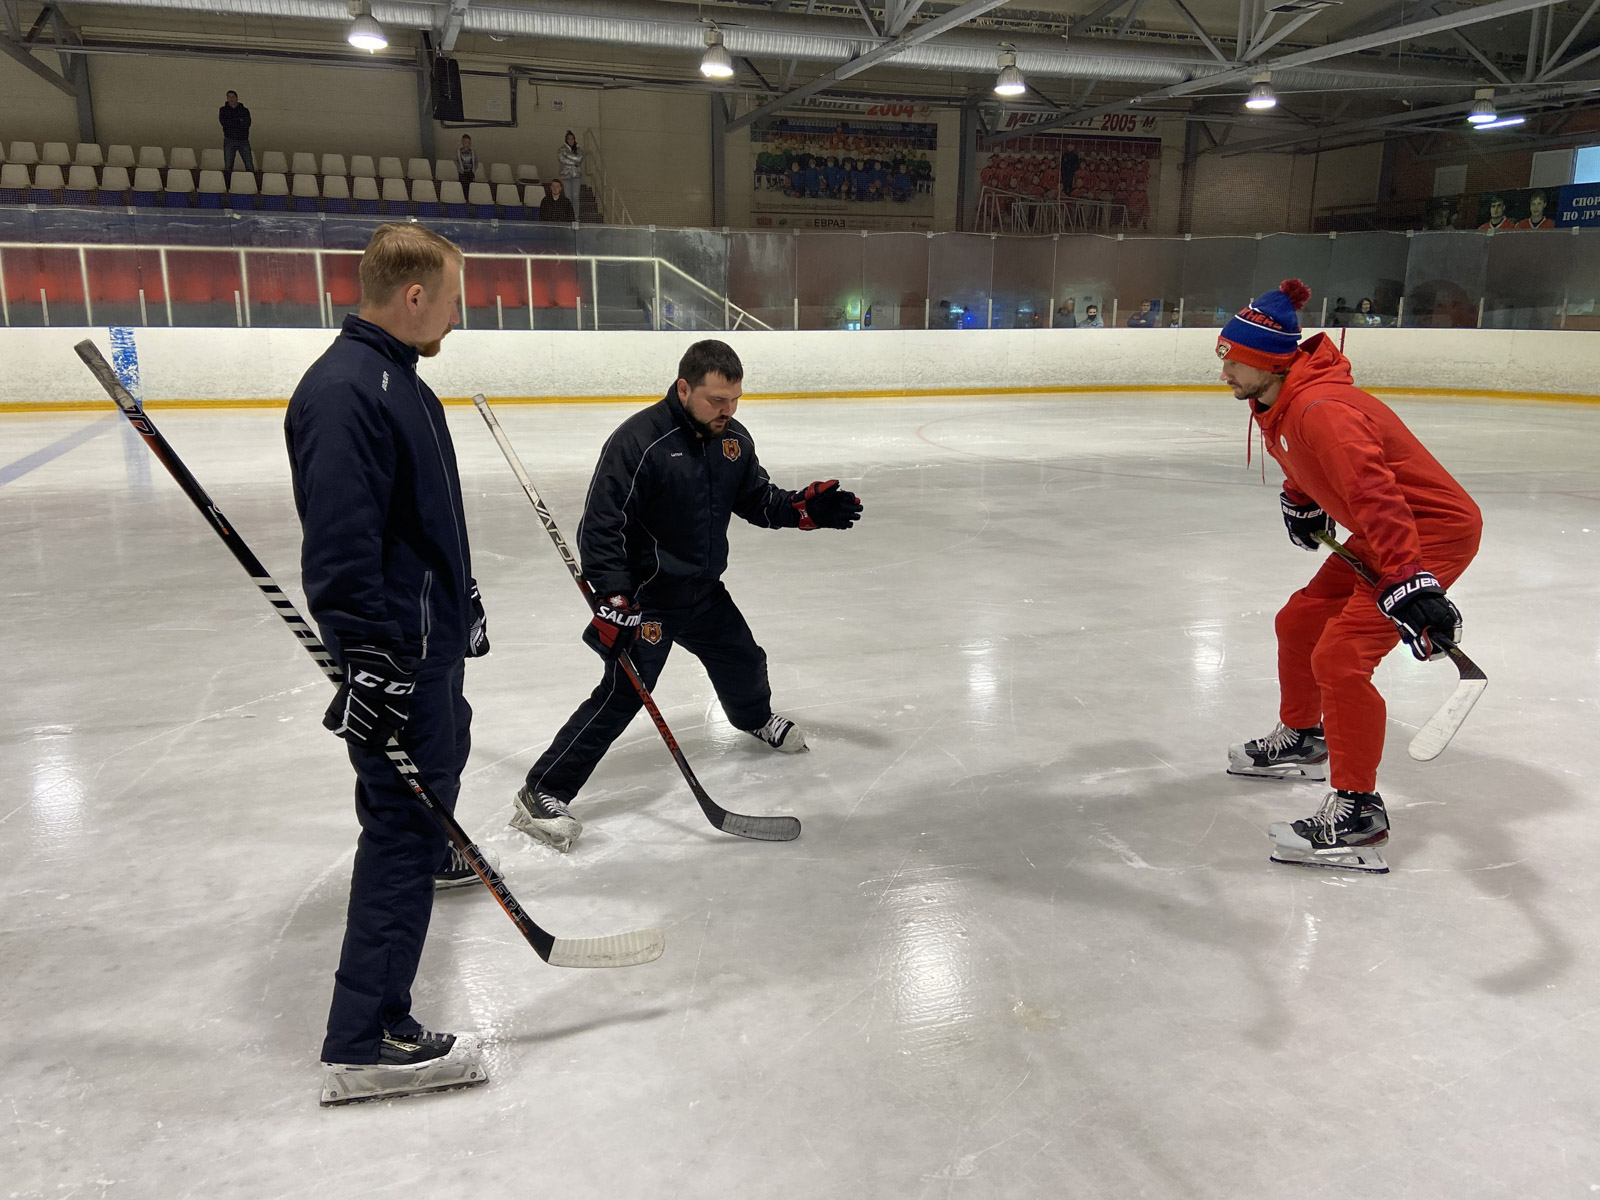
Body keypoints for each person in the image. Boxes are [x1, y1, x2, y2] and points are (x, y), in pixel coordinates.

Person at [286, 222, 493, 1104]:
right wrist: (368, 660)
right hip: (399, 657)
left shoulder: (397, 379)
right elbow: (341, 548)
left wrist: (461, 598)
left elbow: (419, 520)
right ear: (414, 297)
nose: (459, 313)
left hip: (426, 641)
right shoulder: (348, 393)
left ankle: (439, 854)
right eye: (453, 297)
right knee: (400, 831)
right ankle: (365, 1035)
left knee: (439, 779)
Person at [508, 340, 864, 854]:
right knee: (624, 692)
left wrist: (802, 510)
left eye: (735, 399)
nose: (728, 411)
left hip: (701, 590)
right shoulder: (639, 442)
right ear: (683, 389)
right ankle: (542, 789)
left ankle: (752, 718)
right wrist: (613, 596)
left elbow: (757, 500)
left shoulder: (733, 440)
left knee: (743, 658)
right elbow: (602, 525)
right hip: (647, 600)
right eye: (717, 400)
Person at [1216, 279, 1482, 874]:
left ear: (1269, 361)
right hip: (1383, 528)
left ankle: (1360, 812)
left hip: (1425, 532)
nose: (1225, 371)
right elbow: (1299, 456)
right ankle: (1304, 736)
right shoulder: (1279, 400)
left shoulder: (1322, 409)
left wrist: (1411, 582)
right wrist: (1301, 496)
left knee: (1340, 656)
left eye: (1235, 360)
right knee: (1300, 620)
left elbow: (1376, 495)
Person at [218, 90, 254, 181]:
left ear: (237, 98)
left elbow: (247, 123)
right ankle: (228, 186)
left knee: (249, 165)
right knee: (228, 165)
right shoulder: (223, 110)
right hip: (229, 140)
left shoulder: (244, 110)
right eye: (229, 97)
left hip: (243, 140)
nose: (231, 99)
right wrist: (238, 121)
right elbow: (224, 123)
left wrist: (232, 122)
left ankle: (252, 184)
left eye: (233, 97)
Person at [558, 130, 584, 217]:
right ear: (566, 140)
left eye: (572, 139)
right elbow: (562, 160)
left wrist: (567, 154)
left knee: (576, 197)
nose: (570, 140)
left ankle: (576, 216)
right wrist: (575, 161)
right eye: (568, 139)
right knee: (568, 197)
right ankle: (568, 216)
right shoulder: (561, 149)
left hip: (576, 176)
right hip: (565, 176)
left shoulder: (579, 149)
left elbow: (579, 159)